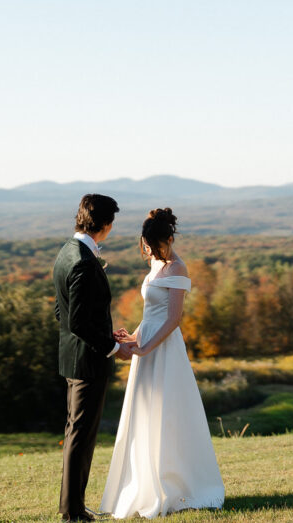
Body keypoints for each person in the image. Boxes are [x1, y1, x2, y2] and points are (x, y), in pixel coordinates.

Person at [100, 208, 225, 518]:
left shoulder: (178, 269)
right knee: (144, 411)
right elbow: (151, 316)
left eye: (156, 246)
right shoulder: (156, 264)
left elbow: (171, 320)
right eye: (148, 246)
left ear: (169, 239)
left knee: (168, 410)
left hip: (164, 349)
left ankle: (177, 482)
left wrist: (145, 349)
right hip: (147, 341)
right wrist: (132, 338)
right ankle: (146, 480)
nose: (152, 252)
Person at [54, 193, 135, 522]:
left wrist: (105, 334)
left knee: (77, 432)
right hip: (88, 362)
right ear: (105, 225)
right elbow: (78, 321)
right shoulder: (85, 262)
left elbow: (64, 311)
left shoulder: (66, 253)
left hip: (74, 357)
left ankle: (71, 506)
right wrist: (113, 347)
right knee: (81, 435)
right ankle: (73, 511)